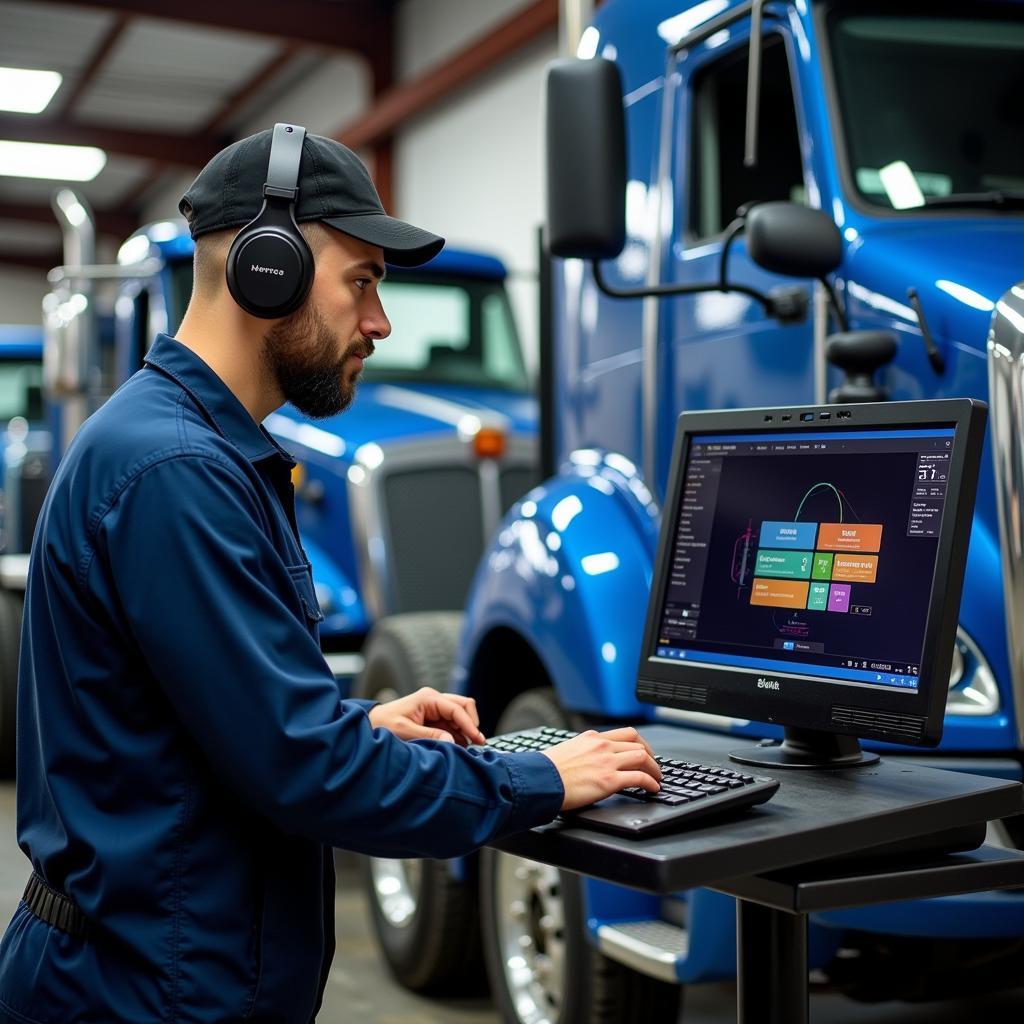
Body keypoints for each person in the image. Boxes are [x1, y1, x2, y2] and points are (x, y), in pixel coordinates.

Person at [0, 127, 661, 1024]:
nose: (380, 324)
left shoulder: (194, 450)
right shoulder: (177, 472)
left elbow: (209, 725)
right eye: (363, 282)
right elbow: (308, 774)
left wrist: (356, 722)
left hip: (156, 969)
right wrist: (540, 777)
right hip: (138, 991)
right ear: (263, 267)